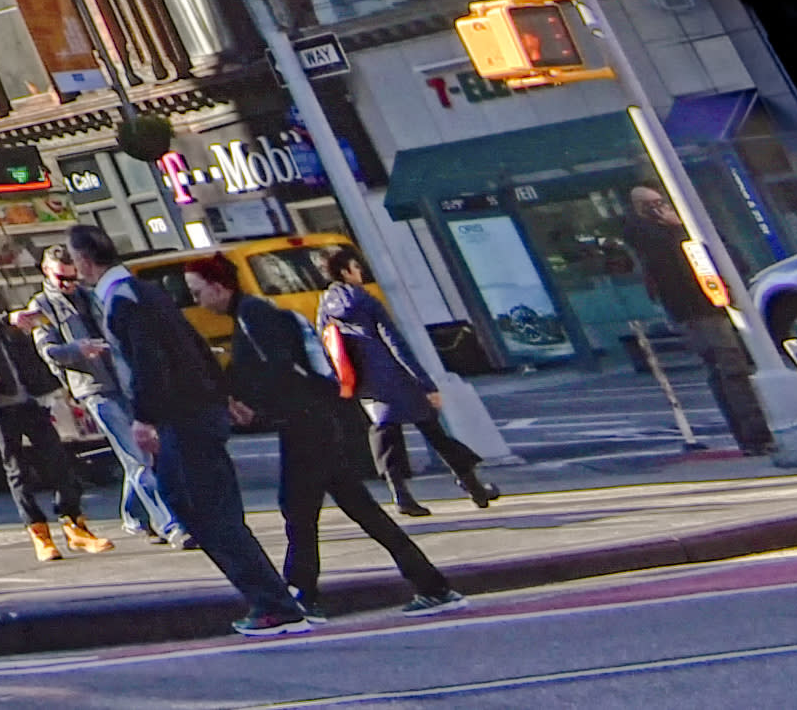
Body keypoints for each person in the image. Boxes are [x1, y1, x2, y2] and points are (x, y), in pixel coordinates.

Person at [73, 225, 303, 635]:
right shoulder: (145, 290)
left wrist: (144, 416)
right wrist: (223, 393)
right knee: (208, 506)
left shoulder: (122, 299)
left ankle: (272, 602)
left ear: (85, 261)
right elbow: (192, 344)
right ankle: (270, 597)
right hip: (197, 409)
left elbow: (148, 361)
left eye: (75, 260)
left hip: (183, 415)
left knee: (203, 507)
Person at [205, 259, 450, 616]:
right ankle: (430, 584)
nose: (199, 300)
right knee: (355, 510)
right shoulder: (254, 312)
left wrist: (252, 405)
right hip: (315, 420)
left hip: (305, 423)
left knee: (300, 511)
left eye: (198, 291)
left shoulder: (253, 315)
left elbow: (278, 369)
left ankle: (302, 595)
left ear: (219, 287)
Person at [0, 279, 109, 560]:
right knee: (16, 467)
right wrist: (6, 319)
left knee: (58, 459)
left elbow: (21, 347)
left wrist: (46, 385)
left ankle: (74, 524)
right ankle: (39, 533)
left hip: (27, 394)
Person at [32, 259, 177, 546]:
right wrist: (78, 349)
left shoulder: (91, 294)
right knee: (138, 458)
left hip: (122, 379)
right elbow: (47, 350)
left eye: (73, 278)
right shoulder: (42, 306)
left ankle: (134, 517)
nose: (69, 284)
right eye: (62, 278)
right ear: (46, 271)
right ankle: (171, 524)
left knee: (137, 455)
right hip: (93, 388)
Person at [323, 272, 493, 514]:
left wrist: (348, 383)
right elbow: (394, 343)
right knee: (434, 432)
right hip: (397, 378)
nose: (359, 272)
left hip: (367, 384)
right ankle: (474, 487)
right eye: (354, 267)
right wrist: (425, 383)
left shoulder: (325, 306)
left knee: (386, 437)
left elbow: (329, 348)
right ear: (346, 271)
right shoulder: (366, 300)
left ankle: (401, 496)